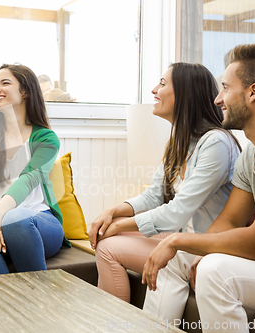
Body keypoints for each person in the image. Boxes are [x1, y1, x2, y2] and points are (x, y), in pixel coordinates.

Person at [142, 44, 255, 332]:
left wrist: (176, 241)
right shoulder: (252, 153)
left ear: (253, 92)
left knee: (215, 272)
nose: (218, 98)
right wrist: (195, 252)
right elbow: (230, 220)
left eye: (225, 88)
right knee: (177, 262)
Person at [89, 63, 240, 303]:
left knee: (107, 248)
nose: (153, 90)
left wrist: (119, 226)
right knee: (112, 227)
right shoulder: (179, 142)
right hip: (181, 236)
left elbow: (176, 212)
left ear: (186, 94)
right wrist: (113, 212)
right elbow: (153, 196)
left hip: (203, 245)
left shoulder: (216, 144)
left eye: (162, 83)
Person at [0, 64, 70, 276]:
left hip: (37, 221)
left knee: (15, 219)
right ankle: (8, 308)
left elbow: (28, 180)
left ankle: (38, 305)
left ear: (25, 91)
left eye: (5, 83)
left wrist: (0, 216)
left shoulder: (46, 139)